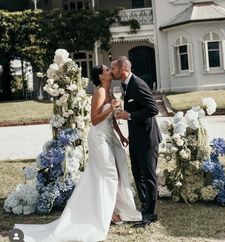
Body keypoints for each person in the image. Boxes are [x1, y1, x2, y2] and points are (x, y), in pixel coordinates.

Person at [14, 65, 141, 242]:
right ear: (100, 76)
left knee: (110, 174)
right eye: (106, 70)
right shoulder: (100, 93)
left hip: (109, 137)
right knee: (110, 174)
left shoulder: (110, 91)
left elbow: (111, 120)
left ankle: (114, 207)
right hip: (98, 139)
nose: (109, 71)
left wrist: (120, 135)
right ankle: (109, 212)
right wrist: (111, 109)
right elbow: (94, 120)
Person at [111, 56, 162, 228]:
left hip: (148, 139)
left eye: (114, 69)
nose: (112, 72)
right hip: (136, 139)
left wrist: (129, 115)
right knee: (138, 175)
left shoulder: (138, 84)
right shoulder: (126, 85)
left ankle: (151, 214)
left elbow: (153, 109)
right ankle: (144, 207)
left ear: (123, 69)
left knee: (149, 177)